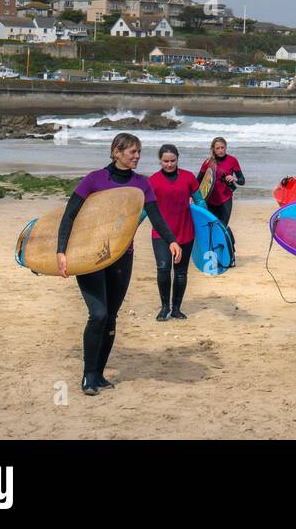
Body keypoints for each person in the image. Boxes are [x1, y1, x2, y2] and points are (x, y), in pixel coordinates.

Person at [57, 133, 180, 396]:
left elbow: (156, 216)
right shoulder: (95, 179)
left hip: (123, 255)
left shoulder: (141, 185)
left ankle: (99, 374)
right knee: (98, 314)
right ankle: (88, 375)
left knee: (111, 316)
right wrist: (61, 251)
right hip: (91, 255)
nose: (137, 156)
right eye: (132, 152)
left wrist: (171, 240)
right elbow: (70, 215)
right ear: (116, 152)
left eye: (138, 152)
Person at [147, 144, 198, 321]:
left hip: (185, 231)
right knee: (163, 269)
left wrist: (210, 225)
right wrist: (131, 229)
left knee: (181, 272)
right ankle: (164, 307)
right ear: (160, 161)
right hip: (161, 234)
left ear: (177, 159)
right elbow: (146, 210)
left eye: (173, 161)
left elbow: (200, 203)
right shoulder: (152, 181)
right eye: (165, 161)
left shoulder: (189, 177)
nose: (169, 164)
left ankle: (176, 308)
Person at [199, 137, 244, 226]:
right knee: (211, 227)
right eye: (218, 148)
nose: (220, 150)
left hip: (225, 199)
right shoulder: (208, 162)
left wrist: (234, 178)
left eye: (222, 147)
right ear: (213, 149)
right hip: (210, 200)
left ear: (226, 147)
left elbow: (242, 181)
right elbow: (198, 181)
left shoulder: (232, 160)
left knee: (223, 226)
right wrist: (192, 196)